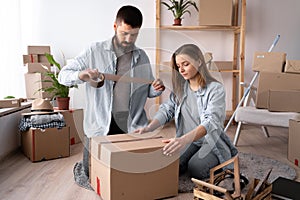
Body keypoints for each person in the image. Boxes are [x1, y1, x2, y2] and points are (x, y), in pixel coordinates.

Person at [58, 5, 165, 184]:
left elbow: (149, 91)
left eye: (134, 34)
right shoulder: (94, 51)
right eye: (124, 33)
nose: (129, 39)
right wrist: (82, 75)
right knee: (90, 173)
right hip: (100, 127)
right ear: (115, 27)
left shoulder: (142, 57)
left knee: (134, 177)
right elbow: (63, 75)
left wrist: (156, 87)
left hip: (131, 126)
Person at [135, 44, 237, 180]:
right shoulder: (181, 88)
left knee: (196, 168)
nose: (181, 70)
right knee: (167, 163)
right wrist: (149, 128)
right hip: (189, 141)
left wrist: (183, 140)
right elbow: (167, 109)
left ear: (199, 62)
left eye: (185, 64)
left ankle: (224, 160)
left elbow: (211, 121)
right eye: (178, 66)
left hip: (210, 142)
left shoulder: (215, 89)